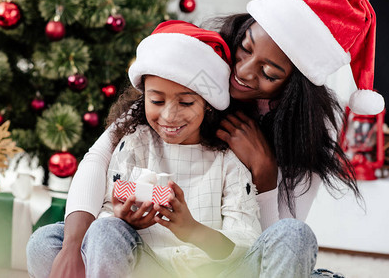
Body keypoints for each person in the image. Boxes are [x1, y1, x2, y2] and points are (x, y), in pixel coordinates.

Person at [28, 0, 385, 277]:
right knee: (48, 244)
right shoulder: (191, 68)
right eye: (245, 49)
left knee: (295, 238)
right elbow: (99, 159)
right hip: (152, 255)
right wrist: (76, 245)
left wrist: (264, 173)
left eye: (269, 73)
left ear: (295, 87)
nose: (243, 72)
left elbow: (273, 237)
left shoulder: (302, 129)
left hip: (226, 261)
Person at [27, 20, 262, 277]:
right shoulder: (136, 142)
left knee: (104, 232)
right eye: (157, 100)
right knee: (45, 242)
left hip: (192, 269)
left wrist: (192, 229)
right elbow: (104, 213)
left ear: (207, 103)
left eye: (185, 102)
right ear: (144, 96)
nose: (169, 116)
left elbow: (245, 248)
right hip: (138, 262)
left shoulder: (227, 160)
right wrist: (122, 219)